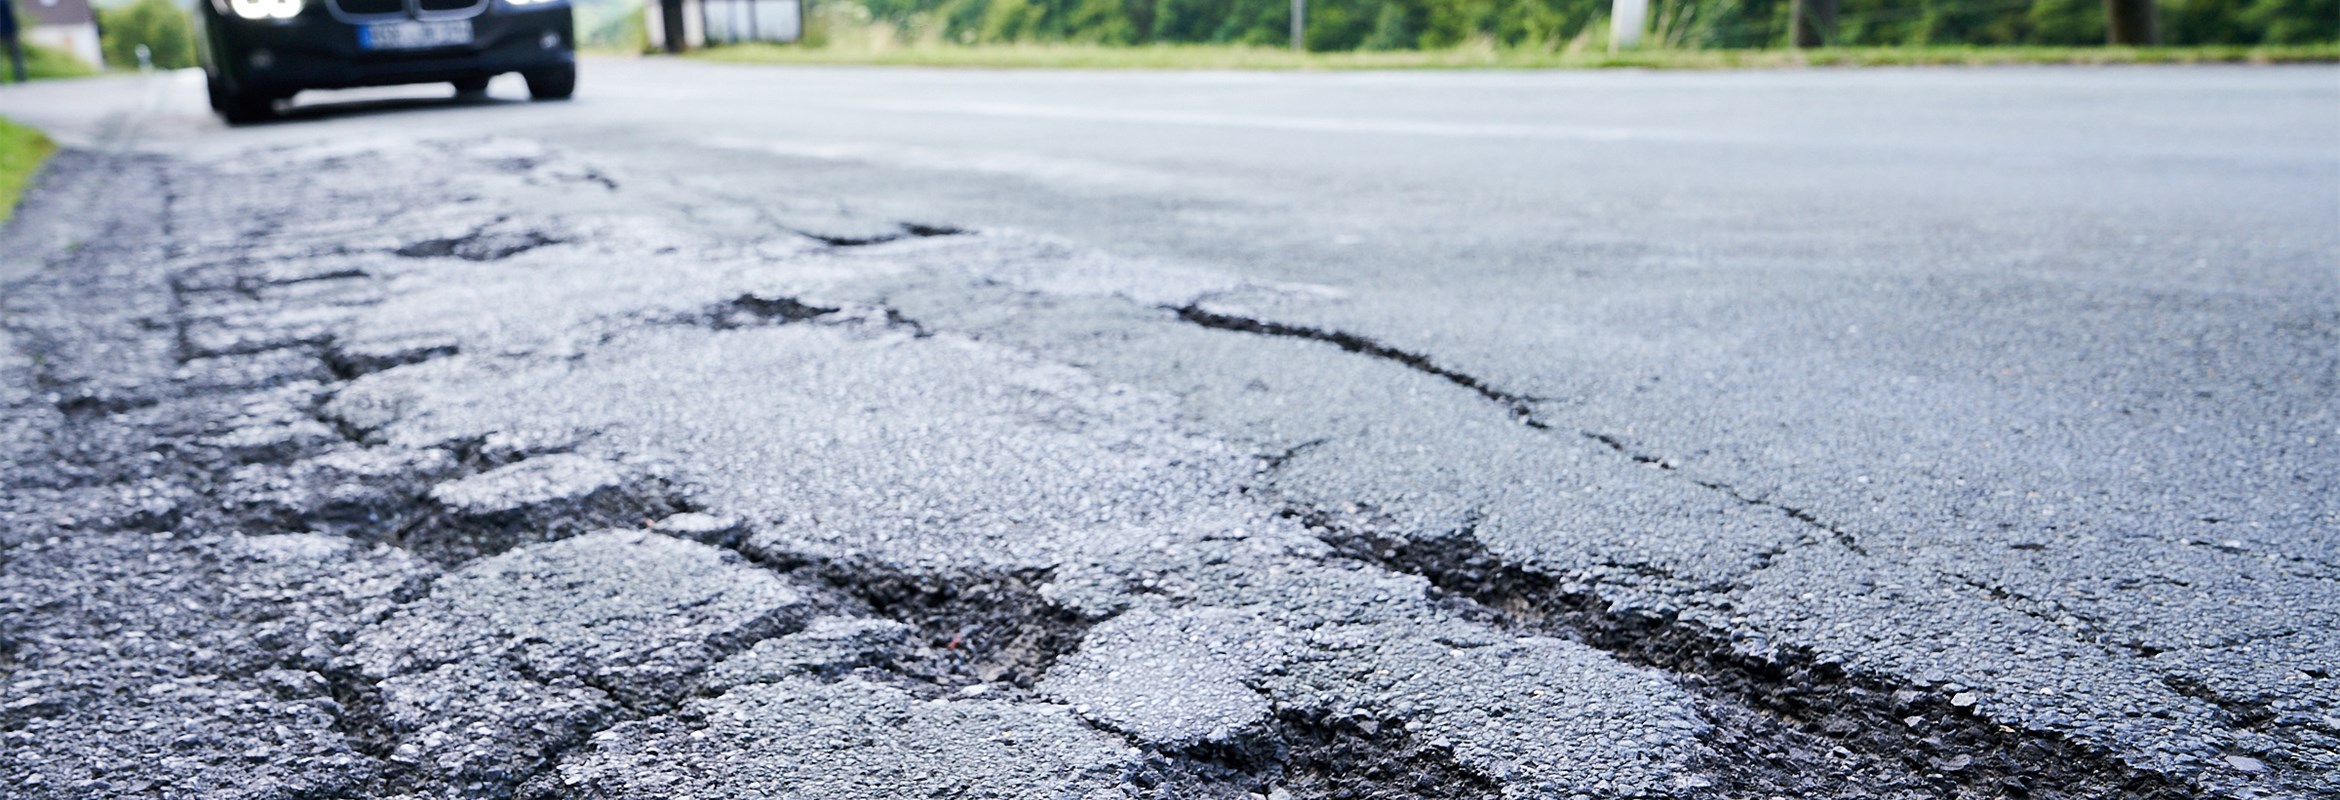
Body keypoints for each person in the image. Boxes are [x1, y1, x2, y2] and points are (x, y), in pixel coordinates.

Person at [0, 0, 25, 84]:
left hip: (8, 29)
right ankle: (20, 76)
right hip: (9, 29)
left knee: (15, 54)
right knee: (16, 54)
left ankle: (20, 76)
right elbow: (11, 16)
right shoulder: (6, 2)